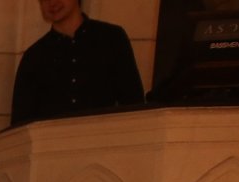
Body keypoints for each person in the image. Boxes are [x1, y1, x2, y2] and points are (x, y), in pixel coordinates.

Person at [10, 0, 145, 127]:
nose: (52, 2)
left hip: (105, 138)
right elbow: (20, 125)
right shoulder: (34, 57)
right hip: (53, 142)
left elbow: (134, 104)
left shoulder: (111, 39)